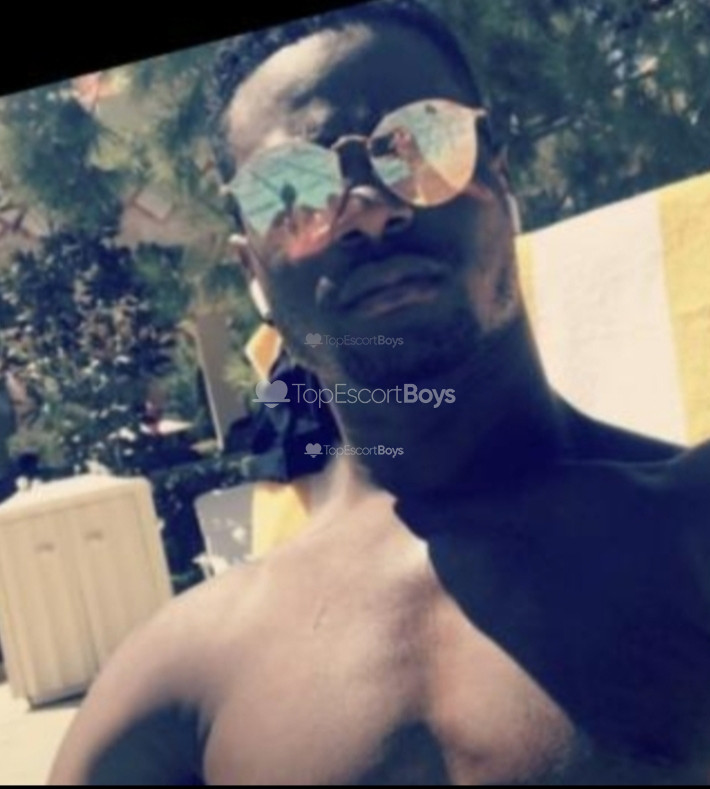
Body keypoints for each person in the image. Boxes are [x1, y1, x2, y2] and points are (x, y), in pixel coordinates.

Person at [50, 0, 710, 784]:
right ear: (252, 270)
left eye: (419, 143)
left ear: (500, 178)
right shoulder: (188, 673)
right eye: (291, 190)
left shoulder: (689, 525)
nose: (366, 211)